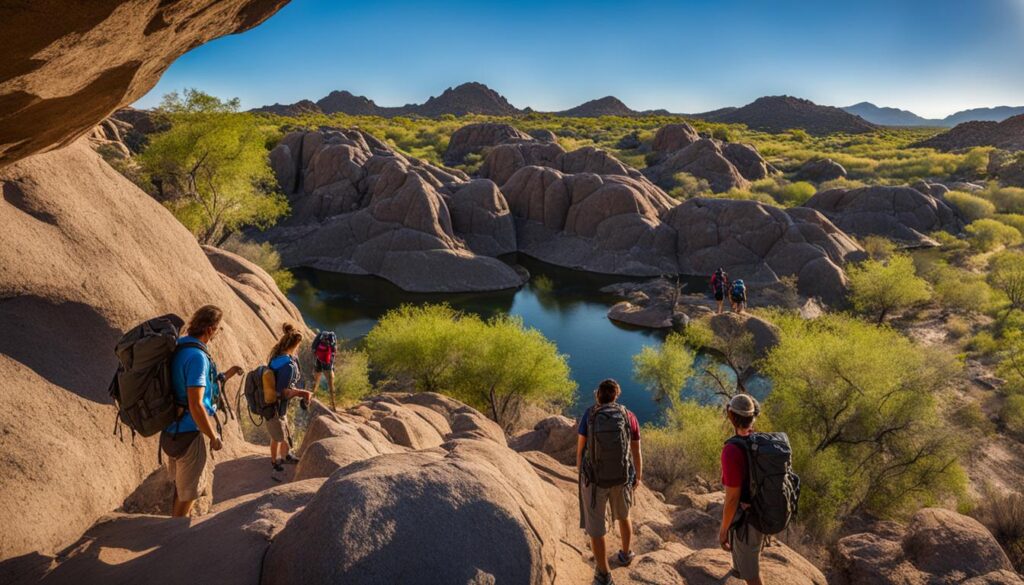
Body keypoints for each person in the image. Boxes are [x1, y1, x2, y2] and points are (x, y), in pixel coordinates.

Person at [163, 305, 243, 518]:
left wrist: (228, 374)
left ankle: (173, 527)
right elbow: (196, 404)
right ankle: (173, 538)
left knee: (181, 488)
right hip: (190, 432)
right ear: (209, 329)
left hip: (172, 428)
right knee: (188, 493)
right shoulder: (197, 357)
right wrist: (213, 436)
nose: (217, 334)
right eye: (217, 329)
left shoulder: (180, 346)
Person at [577, 379, 643, 585]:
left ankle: (604, 574)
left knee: (596, 528)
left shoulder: (590, 415)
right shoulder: (628, 416)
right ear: (616, 395)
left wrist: (581, 473)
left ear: (598, 395)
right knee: (624, 516)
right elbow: (636, 451)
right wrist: (637, 476)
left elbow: (581, 448)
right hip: (622, 477)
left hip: (595, 480)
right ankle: (625, 554)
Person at [719, 394, 764, 585]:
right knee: (748, 561)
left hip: (747, 519)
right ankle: (740, 567)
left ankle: (744, 570)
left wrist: (723, 531)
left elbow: (732, 499)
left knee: (752, 575)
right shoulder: (759, 441)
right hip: (761, 510)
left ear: (731, 415)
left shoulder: (732, 450)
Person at [267, 323, 314, 472]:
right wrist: (302, 393)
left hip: (279, 406)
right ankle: (275, 462)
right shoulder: (286, 365)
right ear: (295, 344)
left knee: (285, 430)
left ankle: (286, 455)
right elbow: (282, 392)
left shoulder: (280, 357)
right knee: (277, 436)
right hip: (274, 406)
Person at [310, 330, 338, 410]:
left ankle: (311, 399)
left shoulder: (320, 336)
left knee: (316, 382)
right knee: (331, 385)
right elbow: (334, 351)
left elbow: (313, 348)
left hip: (318, 361)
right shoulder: (333, 339)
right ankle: (333, 405)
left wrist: (318, 356)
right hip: (327, 364)